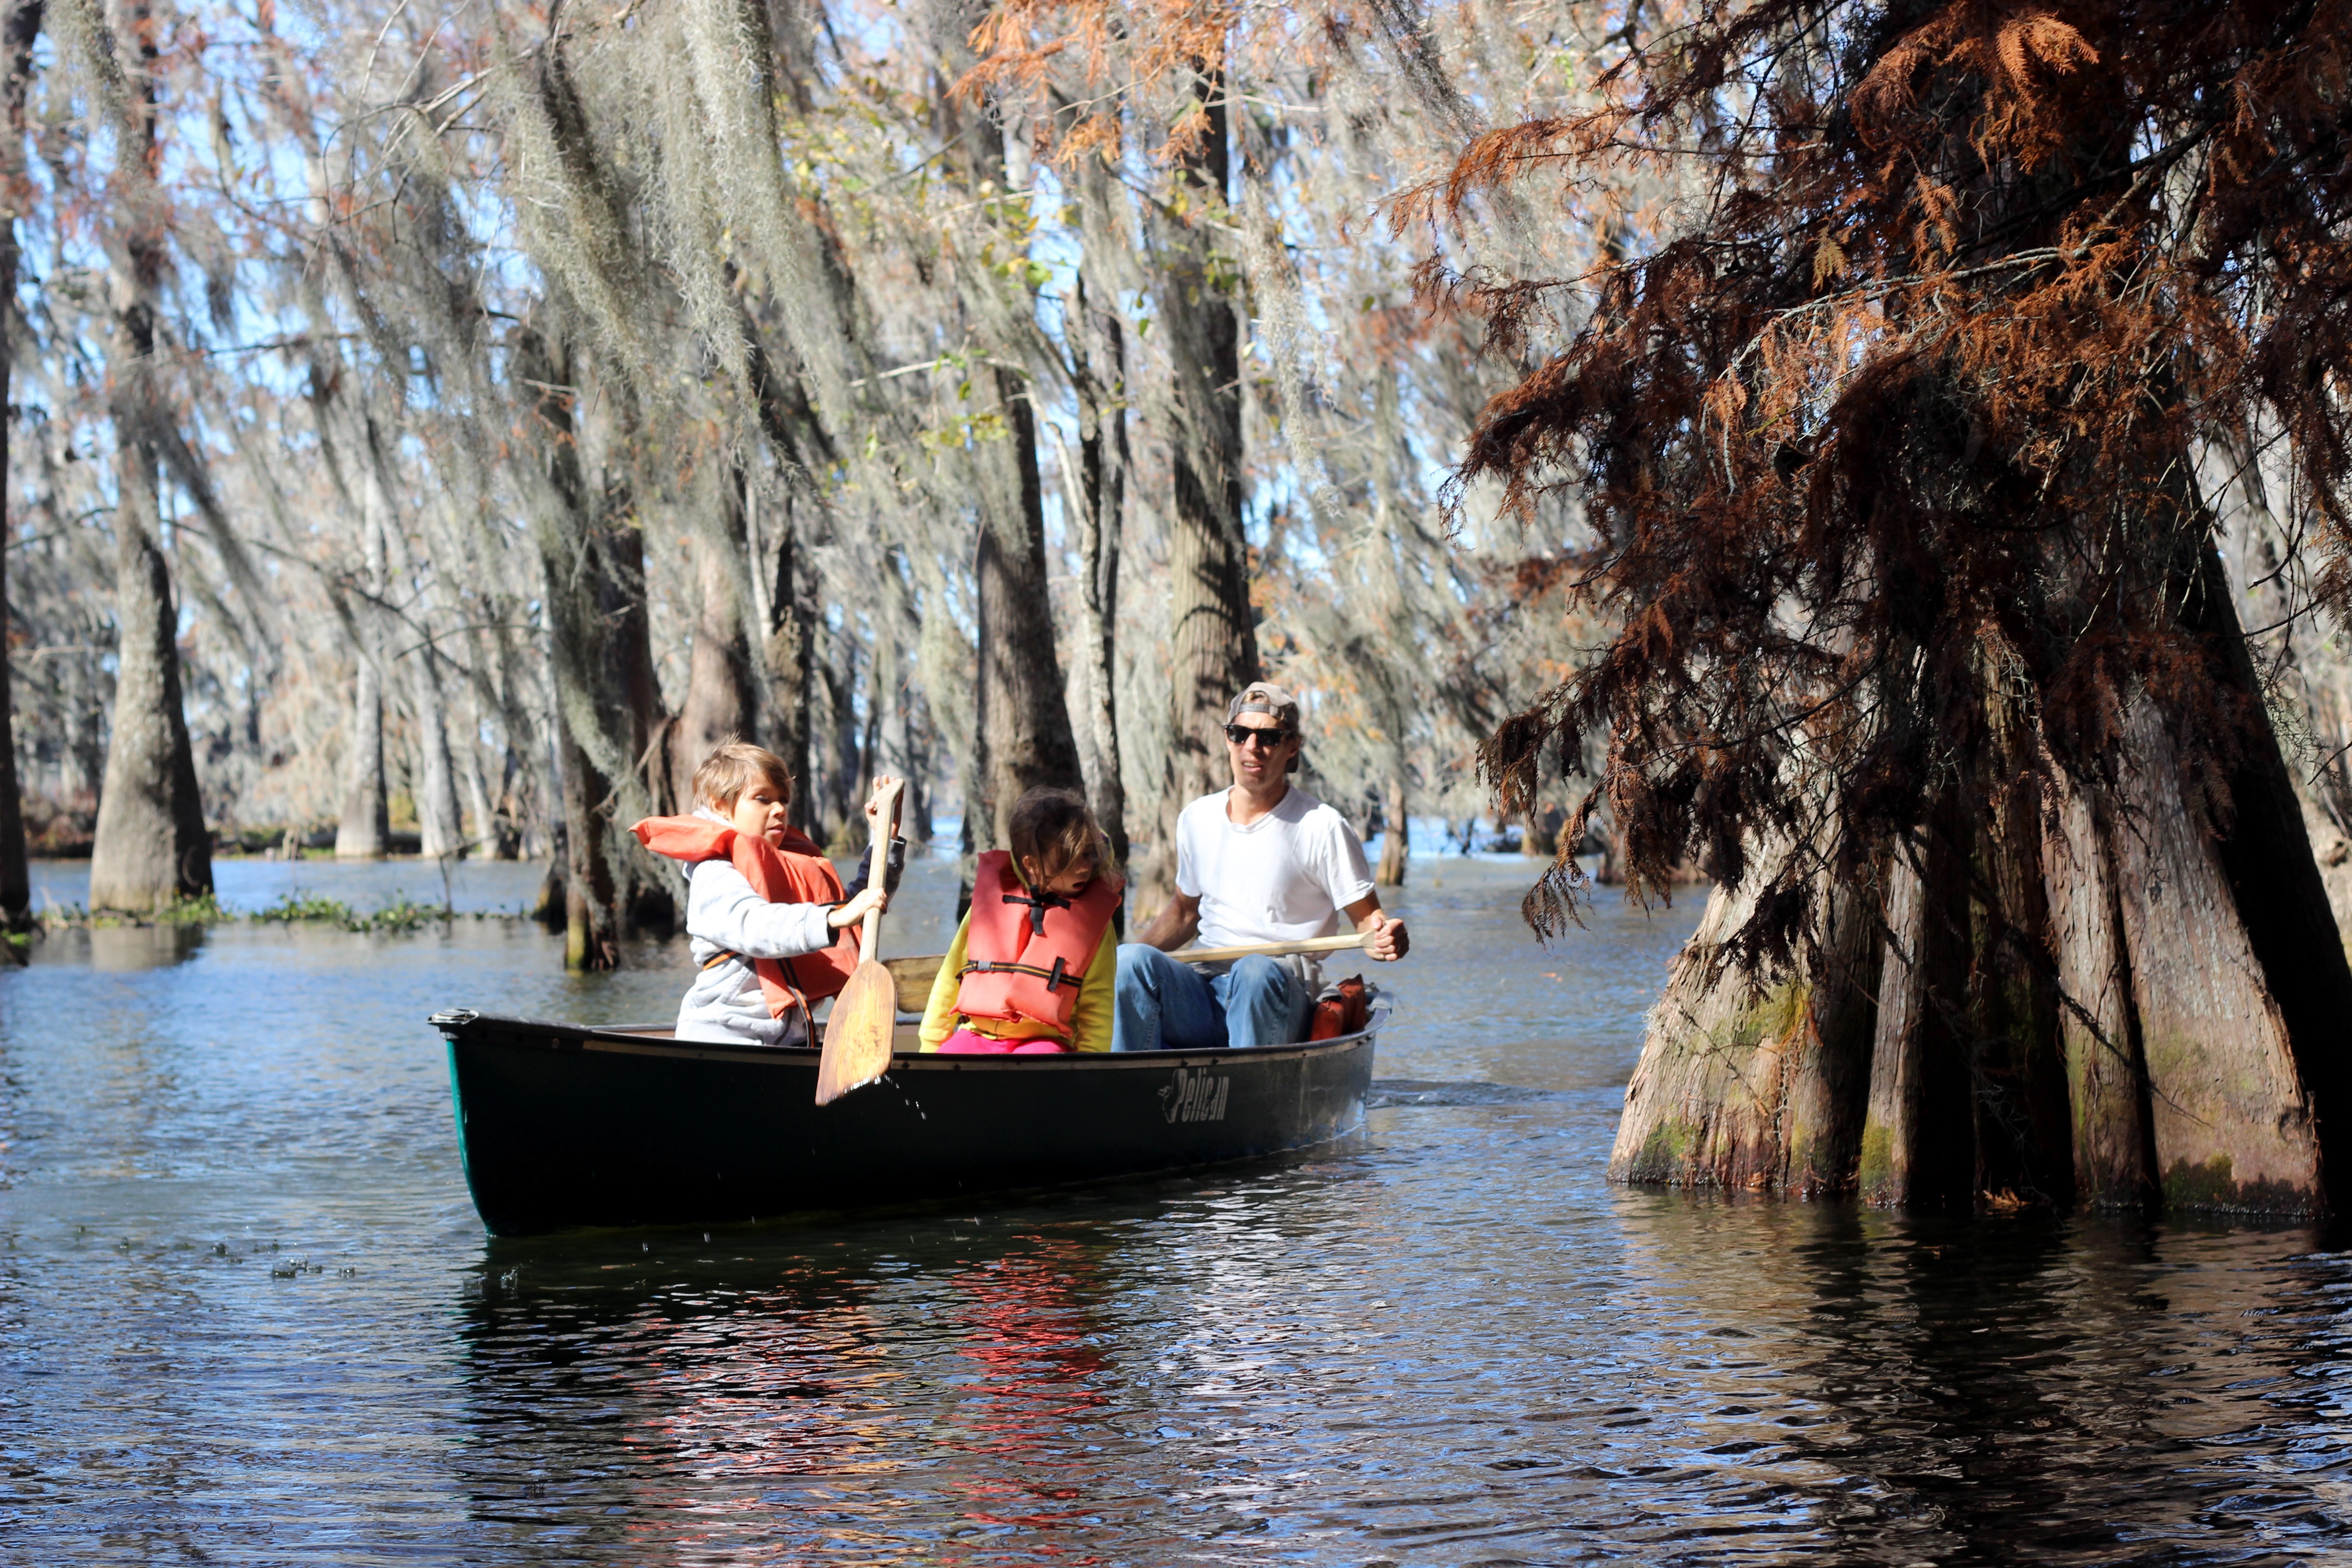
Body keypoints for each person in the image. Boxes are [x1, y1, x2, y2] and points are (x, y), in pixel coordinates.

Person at [1114, 682, 1408, 1052]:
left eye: (1268, 737)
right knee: (1129, 960)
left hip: (1283, 991)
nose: (1252, 747)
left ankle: (1250, 1092)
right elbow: (1184, 913)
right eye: (1240, 734)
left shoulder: (1323, 826)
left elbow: (1368, 922)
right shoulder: (1196, 818)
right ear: (1228, 740)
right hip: (1203, 990)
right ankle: (1129, 1095)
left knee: (1254, 970)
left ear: (1292, 747)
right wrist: (1119, 967)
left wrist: (1384, 938)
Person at [631, 739, 900, 1048]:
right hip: (724, 1039)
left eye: (783, 800)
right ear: (721, 804)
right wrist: (832, 918)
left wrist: (884, 841)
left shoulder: (788, 866)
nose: (780, 810)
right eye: (763, 799)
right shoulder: (713, 873)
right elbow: (756, 926)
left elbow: (855, 912)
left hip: (790, 1042)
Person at [919, 787, 1122, 1054]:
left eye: (1087, 854)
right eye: (1067, 859)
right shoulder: (989, 906)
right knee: (950, 1060)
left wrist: (1086, 1071)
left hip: (1045, 1042)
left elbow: (1099, 1006)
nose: (1083, 867)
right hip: (977, 1034)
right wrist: (931, 1047)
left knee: (1040, 1062)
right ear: (1032, 864)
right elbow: (949, 979)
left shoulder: (1094, 924)